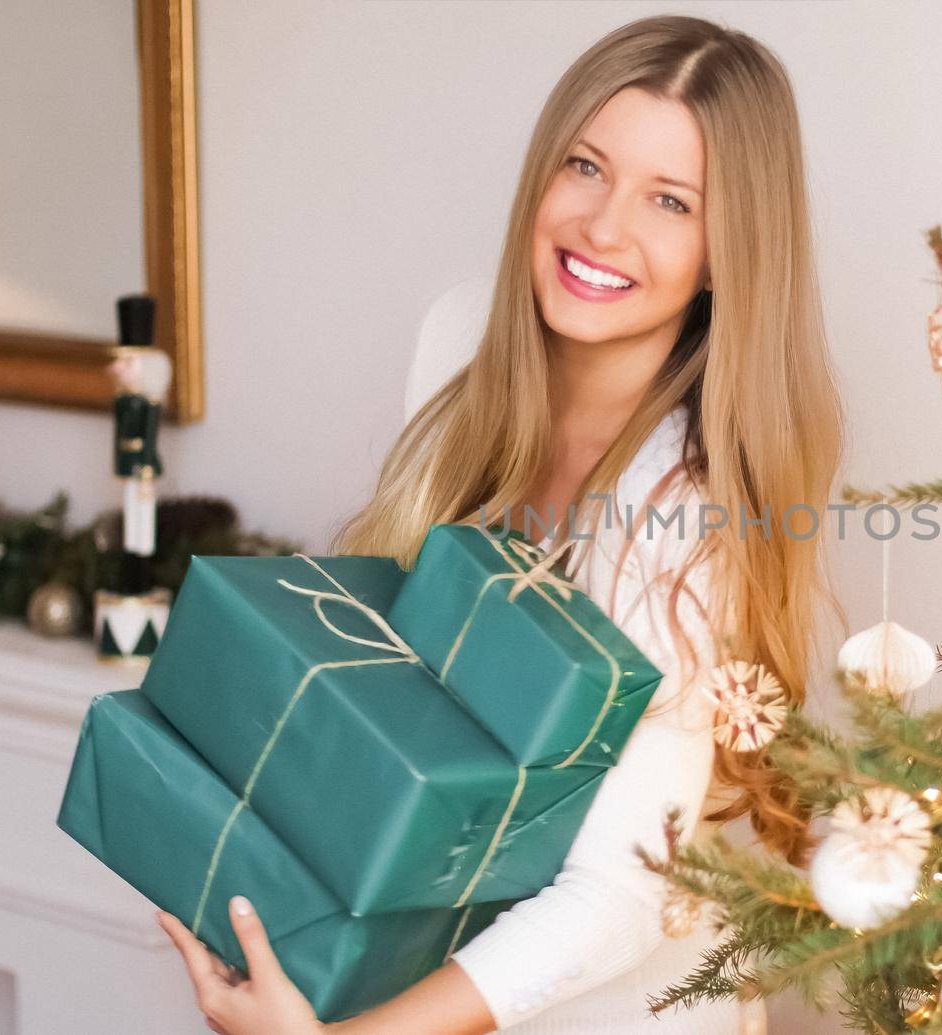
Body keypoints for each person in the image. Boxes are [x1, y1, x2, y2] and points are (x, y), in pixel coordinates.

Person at [157, 13, 843, 1034]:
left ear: (724, 254)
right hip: (423, 976)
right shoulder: (455, 342)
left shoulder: (685, 516)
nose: (603, 227)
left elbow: (620, 896)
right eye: (585, 166)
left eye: (670, 201)